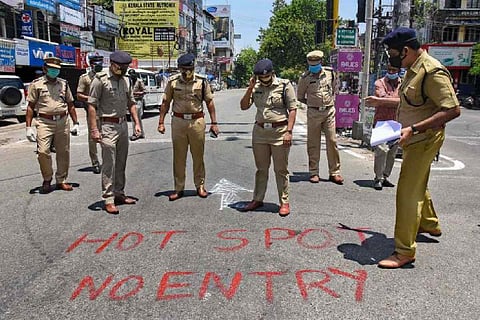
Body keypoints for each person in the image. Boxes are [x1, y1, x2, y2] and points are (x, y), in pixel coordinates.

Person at [377, 27, 461, 268]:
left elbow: (452, 110)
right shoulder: (411, 69)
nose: (391, 58)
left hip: (424, 139)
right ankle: (430, 223)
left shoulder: (431, 71)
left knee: (407, 192)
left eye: (393, 53)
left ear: (405, 50)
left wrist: (413, 129)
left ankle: (404, 251)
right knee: (418, 183)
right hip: (411, 138)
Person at [157, 53, 219, 201]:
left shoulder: (202, 82)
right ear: (179, 68)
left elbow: (209, 102)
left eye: (190, 68)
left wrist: (214, 123)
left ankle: (200, 185)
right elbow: (165, 102)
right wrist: (161, 122)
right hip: (178, 122)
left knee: (198, 156)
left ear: (194, 67)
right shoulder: (172, 82)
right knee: (179, 157)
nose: (187, 71)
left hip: (197, 121)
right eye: (184, 69)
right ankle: (179, 188)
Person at [239, 58, 297, 217]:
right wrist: (250, 88)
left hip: (279, 132)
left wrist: (289, 132)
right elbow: (243, 106)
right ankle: (257, 199)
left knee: (281, 169)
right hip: (260, 133)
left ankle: (284, 202)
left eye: (265, 77)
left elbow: (292, 109)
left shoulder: (284, 85)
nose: (263, 80)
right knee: (261, 169)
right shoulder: (256, 86)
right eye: (260, 78)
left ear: (272, 73)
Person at [87, 51, 142, 214]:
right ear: (112, 64)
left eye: (126, 67)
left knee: (121, 162)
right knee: (109, 164)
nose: (124, 70)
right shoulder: (100, 79)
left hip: (123, 124)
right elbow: (91, 105)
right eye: (121, 67)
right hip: (107, 126)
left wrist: (136, 123)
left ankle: (119, 193)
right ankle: (108, 198)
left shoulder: (126, 80)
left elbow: (131, 102)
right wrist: (94, 129)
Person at [25, 56, 79, 193]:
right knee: (43, 151)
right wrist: (28, 127)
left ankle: (61, 180)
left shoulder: (64, 84)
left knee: (63, 152)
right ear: (45, 69)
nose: (55, 72)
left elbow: (71, 104)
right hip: (44, 122)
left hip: (62, 120)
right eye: (52, 69)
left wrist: (76, 123)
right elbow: (30, 106)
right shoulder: (36, 84)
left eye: (57, 69)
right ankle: (47, 179)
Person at [297, 50, 344, 185]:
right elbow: (300, 97)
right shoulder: (304, 78)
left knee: (332, 140)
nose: (314, 67)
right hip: (313, 113)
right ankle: (314, 172)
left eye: (316, 64)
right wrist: (313, 104)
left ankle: (334, 172)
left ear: (320, 63)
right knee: (313, 142)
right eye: (311, 64)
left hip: (329, 111)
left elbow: (335, 88)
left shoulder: (329, 73)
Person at [364, 64, 402, 190]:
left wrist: (385, 101)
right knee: (381, 151)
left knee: (392, 151)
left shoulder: (403, 84)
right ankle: (378, 178)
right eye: (389, 70)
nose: (391, 72)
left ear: (399, 70)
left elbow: (404, 101)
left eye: (394, 70)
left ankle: (385, 176)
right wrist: (396, 102)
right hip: (381, 122)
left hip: (396, 123)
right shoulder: (379, 83)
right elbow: (381, 98)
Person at [77, 54, 104, 174]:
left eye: (100, 62)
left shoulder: (106, 76)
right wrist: (91, 99)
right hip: (92, 111)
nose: (98, 64)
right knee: (93, 138)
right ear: (91, 64)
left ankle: (107, 161)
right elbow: (79, 94)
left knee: (107, 136)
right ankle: (95, 162)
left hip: (106, 111)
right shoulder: (85, 78)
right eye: (95, 62)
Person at [128, 69, 146, 141]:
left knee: (136, 117)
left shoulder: (139, 81)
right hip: (131, 101)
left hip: (138, 100)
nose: (131, 76)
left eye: (132, 74)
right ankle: (140, 133)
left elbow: (144, 91)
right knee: (134, 118)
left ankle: (136, 133)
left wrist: (136, 93)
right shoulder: (129, 81)